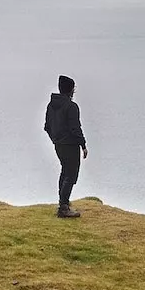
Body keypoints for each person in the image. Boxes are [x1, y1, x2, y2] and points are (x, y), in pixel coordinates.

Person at [44, 74, 87, 218]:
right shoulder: (71, 106)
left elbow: (47, 126)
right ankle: (63, 207)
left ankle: (63, 203)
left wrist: (55, 139)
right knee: (71, 174)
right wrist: (83, 144)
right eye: (73, 89)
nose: (74, 91)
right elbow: (75, 128)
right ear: (70, 90)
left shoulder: (51, 105)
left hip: (59, 144)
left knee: (65, 171)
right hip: (70, 145)